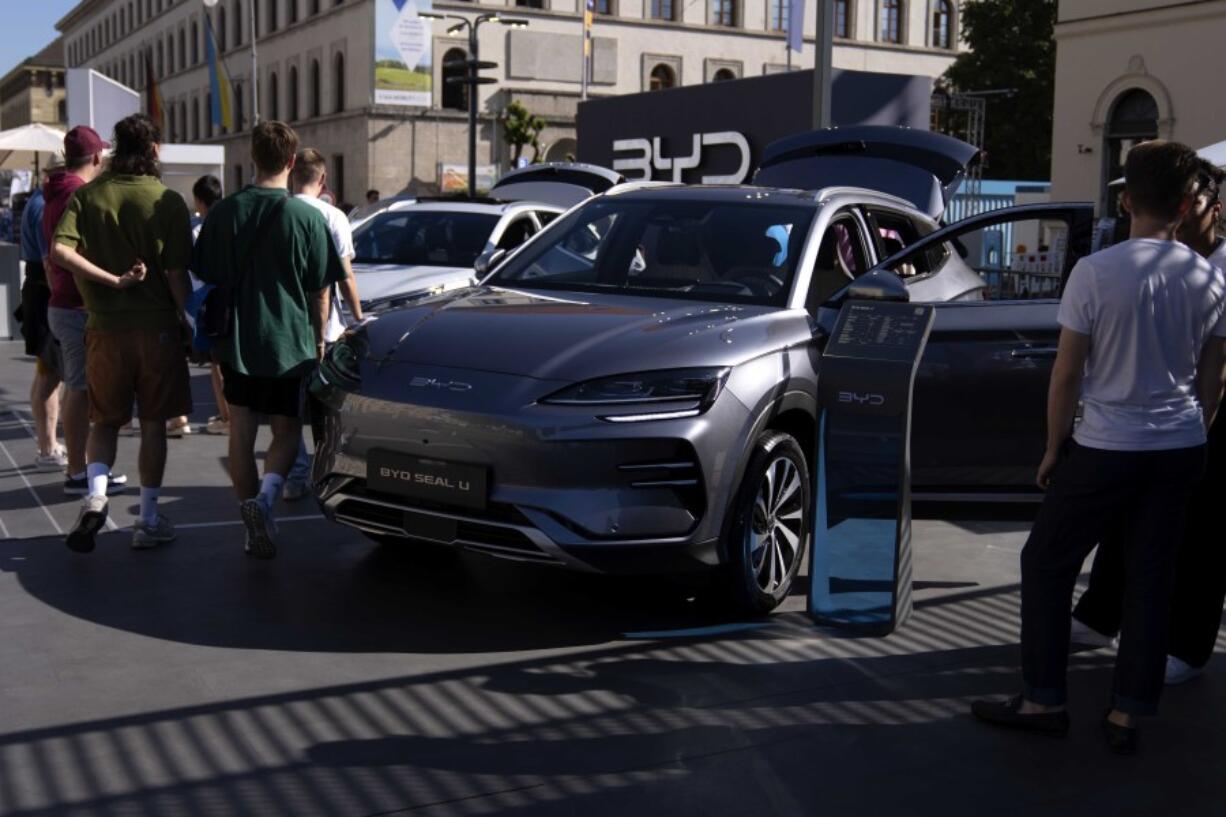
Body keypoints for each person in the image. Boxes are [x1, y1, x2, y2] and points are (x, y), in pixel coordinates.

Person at [971, 141, 1226, 755]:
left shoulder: (1096, 271)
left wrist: (1054, 448)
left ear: (1125, 199)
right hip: (1180, 446)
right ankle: (1126, 715)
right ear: (1188, 204)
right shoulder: (1208, 277)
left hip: (1108, 444)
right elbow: (1215, 375)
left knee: (1046, 562)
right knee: (1150, 578)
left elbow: (1066, 374)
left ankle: (1043, 700)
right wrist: (1194, 430)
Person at [1071, 160, 1226, 686]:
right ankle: (1099, 616)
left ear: (1212, 210)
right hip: (1152, 424)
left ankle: (1187, 646)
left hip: (1201, 422)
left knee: (1202, 537)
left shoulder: (1217, 269)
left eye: (1195, 205)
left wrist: (1202, 425)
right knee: (1123, 521)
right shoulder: (1154, 260)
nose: (1183, 217)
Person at [192, 121, 344, 559]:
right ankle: (266, 501)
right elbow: (321, 291)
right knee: (286, 432)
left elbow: (205, 272)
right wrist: (318, 342)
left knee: (240, 432)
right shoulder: (307, 217)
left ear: (253, 159)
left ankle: (249, 516)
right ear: (292, 163)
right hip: (290, 343)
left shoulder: (224, 212)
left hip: (237, 341)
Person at [51, 114, 193, 553]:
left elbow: (59, 249)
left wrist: (109, 281)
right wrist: (187, 316)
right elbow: (176, 275)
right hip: (156, 331)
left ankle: (96, 497)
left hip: (104, 328)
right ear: (154, 150)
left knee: (105, 421)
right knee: (153, 422)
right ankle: (147, 519)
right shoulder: (167, 201)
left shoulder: (90, 195)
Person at [44, 126, 128, 497]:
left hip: (63, 303)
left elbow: (52, 259)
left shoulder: (53, 193)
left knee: (79, 387)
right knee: (80, 388)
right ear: (96, 158)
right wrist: (112, 280)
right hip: (77, 306)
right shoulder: (78, 195)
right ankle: (80, 470)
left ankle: (85, 467)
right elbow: (68, 254)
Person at [285, 148, 363, 500]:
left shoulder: (279, 212)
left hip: (283, 327)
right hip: (324, 330)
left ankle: (296, 475)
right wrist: (359, 319)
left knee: (286, 410)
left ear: (291, 175)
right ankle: (327, 471)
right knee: (327, 408)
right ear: (323, 179)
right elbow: (343, 278)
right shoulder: (333, 217)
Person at [17, 168, 65, 470]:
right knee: (50, 373)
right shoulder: (42, 206)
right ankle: (47, 448)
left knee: (46, 372)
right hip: (44, 294)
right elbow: (50, 264)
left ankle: (47, 443)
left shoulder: (39, 202)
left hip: (40, 292)